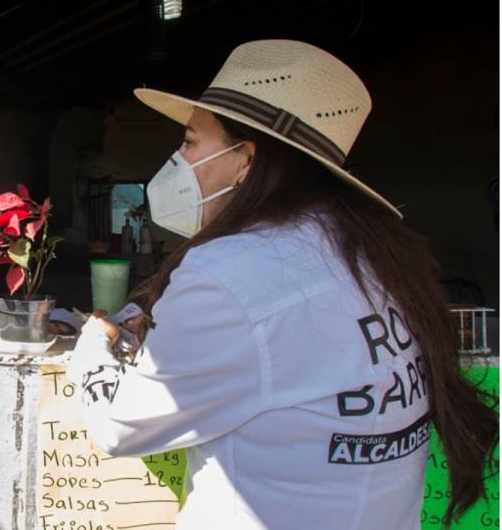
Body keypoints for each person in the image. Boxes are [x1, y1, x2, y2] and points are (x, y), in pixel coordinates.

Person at [67, 40, 498, 529]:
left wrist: (93, 349)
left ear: (245, 159)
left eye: (189, 142)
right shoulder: (373, 254)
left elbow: (121, 426)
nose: (177, 159)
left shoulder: (229, 272)